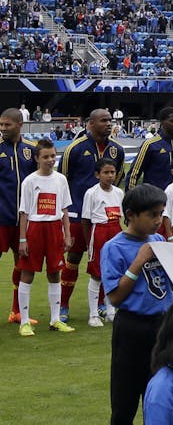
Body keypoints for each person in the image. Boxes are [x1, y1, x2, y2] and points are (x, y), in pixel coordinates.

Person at [101, 183, 173, 424]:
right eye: (152, 215)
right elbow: (115, 297)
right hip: (132, 329)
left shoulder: (159, 239)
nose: (158, 220)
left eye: (161, 214)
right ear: (131, 215)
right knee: (125, 400)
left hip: (163, 327)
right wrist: (138, 261)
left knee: (160, 398)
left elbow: (170, 283)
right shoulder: (114, 247)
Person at [60, 109, 123, 322]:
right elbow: (63, 181)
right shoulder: (74, 149)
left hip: (106, 219)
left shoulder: (117, 150)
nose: (108, 123)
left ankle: (101, 304)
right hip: (79, 215)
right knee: (74, 259)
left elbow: (118, 178)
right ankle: (63, 305)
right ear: (90, 123)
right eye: (104, 120)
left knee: (105, 261)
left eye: (110, 120)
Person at [16, 138, 75, 335]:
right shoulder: (30, 181)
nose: (51, 160)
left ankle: (55, 319)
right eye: (46, 157)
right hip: (35, 230)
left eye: (53, 156)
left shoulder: (61, 179)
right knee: (28, 273)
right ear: (37, 158)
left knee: (54, 273)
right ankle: (24, 321)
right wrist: (22, 239)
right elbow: (24, 213)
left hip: (54, 229)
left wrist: (67, 235)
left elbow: (65, 209)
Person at [1, 107, 39, 324]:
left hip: (25, 221)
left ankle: (17, 311)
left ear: (20, 124)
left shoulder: (31, 150)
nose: (3, 129)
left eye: (7, 124)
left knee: (22, 265)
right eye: (1, 125)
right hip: (1, 219)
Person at [81, 159, 125, 327]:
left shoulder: (119, 193)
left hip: (116, 231)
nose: (110, 176)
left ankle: (111, 310)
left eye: (112, 172)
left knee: (114, 273)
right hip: (99, 232)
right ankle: (93, 314)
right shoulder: (91, 193)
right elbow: (86, 220)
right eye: (106, 173)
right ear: (97, 174)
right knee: (97, 274)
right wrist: (88, 243)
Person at [126, 107, 173, 191]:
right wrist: (131, 198)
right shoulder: (150, 144)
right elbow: (134, 172)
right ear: (162, 122)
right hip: (155, 198)